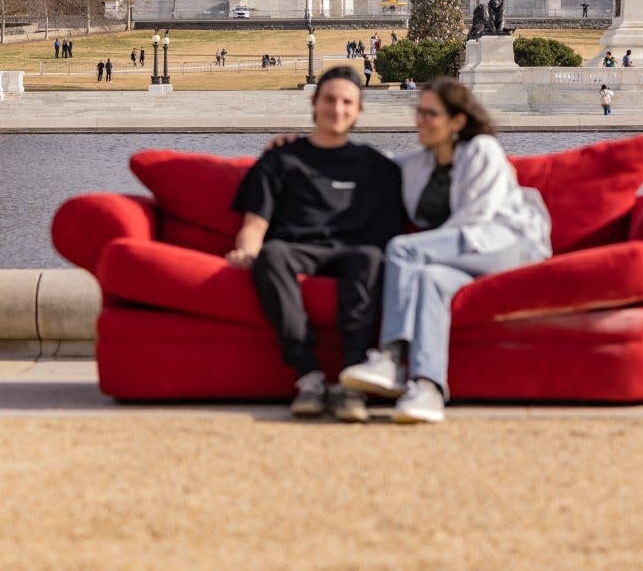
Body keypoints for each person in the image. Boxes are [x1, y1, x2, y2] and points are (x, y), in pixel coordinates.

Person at [340, 78, 551, 424]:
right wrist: (304, 148)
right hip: (464, 253)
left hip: (509, 244)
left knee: (404, 252)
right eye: (419, 112)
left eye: (430, 114)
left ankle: (391, 357)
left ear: (457, 121)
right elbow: (377, 163)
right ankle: (427, 388)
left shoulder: (482, 149)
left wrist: (422, 248)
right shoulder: (420, 164)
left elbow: (476, 220)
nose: (420, 121)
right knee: (430, 279)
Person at [227, 66, 404, 422]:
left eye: (346, 102)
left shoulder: (378, 167)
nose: (337, 109)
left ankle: (352, 380)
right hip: (295, 248)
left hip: (354, 251)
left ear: (358, 110)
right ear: (314, 102)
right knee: (272, 255)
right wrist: (247, 249)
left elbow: (388, 234)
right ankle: (309, 376)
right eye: (330, 100)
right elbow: (255, 224)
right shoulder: (281, 158)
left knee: (372, 259)